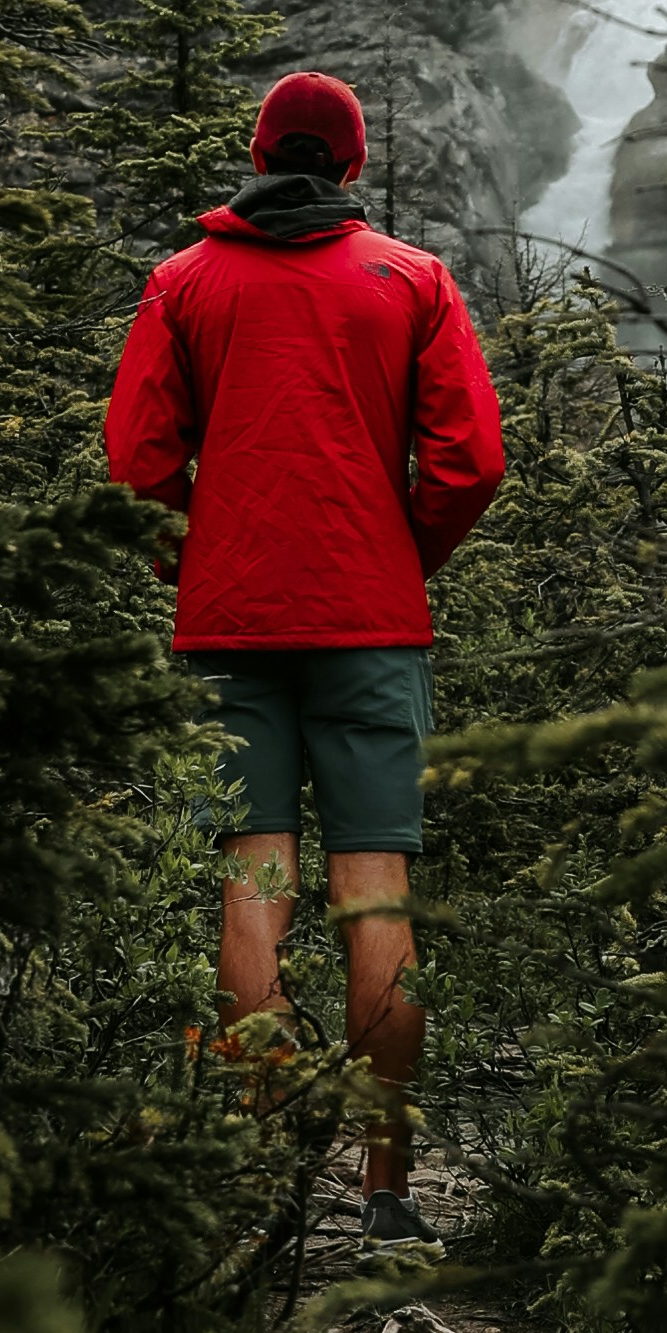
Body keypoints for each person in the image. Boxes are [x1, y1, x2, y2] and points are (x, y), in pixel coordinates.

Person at [101, 63, 506, 1257]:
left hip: (227, 621)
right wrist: (401, 551)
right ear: (354, 163)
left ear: (259, 149)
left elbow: (135, 463)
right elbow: (470, 462)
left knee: (253, 886)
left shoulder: (182, 282)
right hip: (371, 623)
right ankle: (386, 1190)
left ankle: (267, 1180)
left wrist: (204, 549)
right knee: (372, 891)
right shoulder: (414, 278)